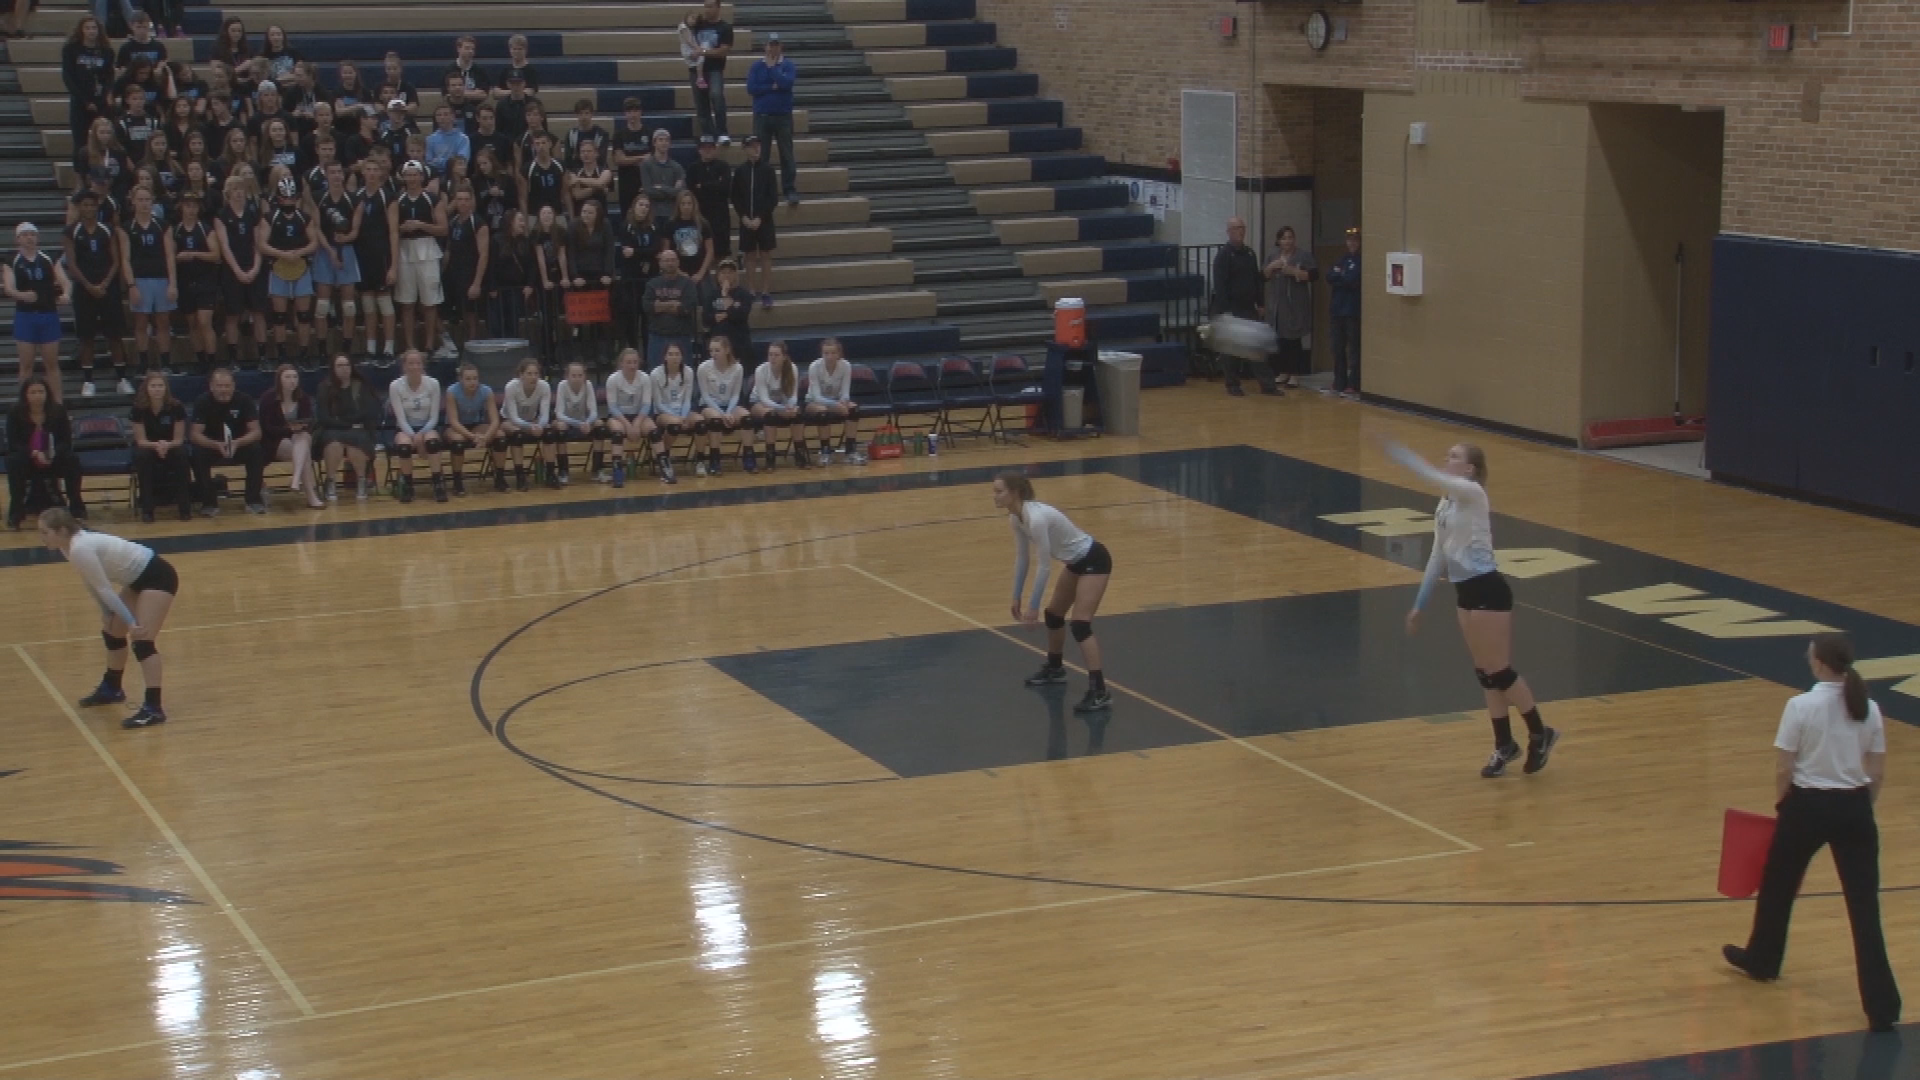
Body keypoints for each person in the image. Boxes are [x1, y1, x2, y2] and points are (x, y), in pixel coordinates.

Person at [1722, 633, 1901, 1032]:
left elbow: (1785, 767)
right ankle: (1883, 1006)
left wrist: (1785, 807)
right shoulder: (1868, 708)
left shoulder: (1799, 706)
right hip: (1855, 807)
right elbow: (1877, 772)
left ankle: (1764, 959)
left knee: (1778, 884)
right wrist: (1858, 808)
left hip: (1807, 806)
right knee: (1864, 907)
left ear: (1820, 664)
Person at [1382, 437, 1559, 776]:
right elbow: (1437, 555)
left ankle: (1541, 732)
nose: (1446, 459)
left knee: (1500, 670)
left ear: (1469, 469)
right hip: (1464, 592)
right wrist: (1420, 605)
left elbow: (1436, 477)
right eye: (1446, 454)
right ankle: (1504, 744)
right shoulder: (1445, 504)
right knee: (1486, 674)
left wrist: (1400, 453)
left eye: (1454, 456)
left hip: (1488, 589)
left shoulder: (1473, 493)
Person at [46, 509, 178, 729]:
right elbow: (92, 582)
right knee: (112, 632)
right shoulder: (67, 547)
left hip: (158, 577)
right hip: (138, 579)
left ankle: (154, 708)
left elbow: (105, 588)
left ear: (61, 530)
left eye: (45, 532)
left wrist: (131, 622)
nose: (42, 537)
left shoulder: (81, 547)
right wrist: (107, 613)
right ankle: (112, 688)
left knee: (143, 642)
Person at [997, 470, 1113, 713]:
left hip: (1094, 559)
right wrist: (1016, 595)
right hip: (1075, 563)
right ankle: (1055, 668)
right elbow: (1022, 558)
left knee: (1080, 625)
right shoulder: (1016, 518)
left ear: (1015, 492)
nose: (995, 496)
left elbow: (1045, 566)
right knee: (1054, 616)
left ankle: (1099, 691)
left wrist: (1033, 605)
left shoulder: (1036, 518)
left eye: (1000, 491)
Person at [65, 190, 132, 396]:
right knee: (87, 337)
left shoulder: (107, 229)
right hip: (84, 290)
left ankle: (121, 378)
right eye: (85, 205)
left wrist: (104, 284)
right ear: (79, 207)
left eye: (92, 205)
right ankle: (88, 381)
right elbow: (71, 264)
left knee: (114, 335)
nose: (89, 209)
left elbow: (116, 260)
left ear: (97, 207)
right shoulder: (71, 231)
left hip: (107, 289)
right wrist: (88, 285)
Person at [6, 377, 86, 527]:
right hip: (27, 458)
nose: (37, 395)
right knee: (13, 461)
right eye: (33, 392)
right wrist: (34, 453)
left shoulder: (58, 411)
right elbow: (13, 443)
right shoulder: (15, 412)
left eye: (41, 391)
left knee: (72, 459)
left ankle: (77, 508)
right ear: (25, 395)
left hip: (53, 457)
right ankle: (16, 512)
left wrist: (50, 453)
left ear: (47, 393)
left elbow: (65, 441)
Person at [6, 223, 71, 404]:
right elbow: (9, 288)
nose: (29, 238)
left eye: (32, 234)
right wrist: (22, 295)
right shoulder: (12, 260)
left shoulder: (48, 258)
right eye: (25, 235)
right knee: (26, 366)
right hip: (25, 316)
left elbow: (65, 280)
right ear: (18, 239)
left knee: (51, 364)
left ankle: (58, 404)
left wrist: (66, 293)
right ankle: (23, 405)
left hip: (48, 313)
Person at [389, 159, 448, 357]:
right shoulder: (398, 200)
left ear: (421, 176)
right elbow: (392, 228)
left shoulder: (432, 199)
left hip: (427, 249)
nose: (412, 178)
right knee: (407, 302)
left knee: (429, 301)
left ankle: (430, 345)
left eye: (415, 174)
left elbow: (443, 228)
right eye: (409, 175)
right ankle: (410, 346)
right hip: (405, 250)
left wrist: (420, 225)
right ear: (404, 177)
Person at [189, 367, 266, 514]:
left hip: (239, 445)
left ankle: (253, 500)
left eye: (227, 386)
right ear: (211, 386)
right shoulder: (203, 402)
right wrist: (215, 444)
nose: (224, 390)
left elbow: (256, 432)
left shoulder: (244, 400)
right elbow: (195, 434)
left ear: (233, 386)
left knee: (256, 450)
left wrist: (237, 442)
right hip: (213, 446)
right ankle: (209, 503)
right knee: (197, 454)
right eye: (219, 386)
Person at [260, 174, 319, 368]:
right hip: (278, 268)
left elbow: (314, 243)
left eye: (291, 197)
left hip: (301, 268)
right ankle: (281, 355)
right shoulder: (270, 218)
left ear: (297, 198)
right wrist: (282, 254)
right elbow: (261, 244)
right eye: (284, 198)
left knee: (303, 315)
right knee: (279, 316)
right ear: (278, 199)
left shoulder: (304, 218)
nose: (288, 201)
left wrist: (298, 253)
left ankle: (303, 353)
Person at [1208, 217, 1269, 397]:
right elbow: (1220, 285)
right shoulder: (1224, 255)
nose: (1240, 231)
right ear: (1229, 232)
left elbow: (1256, 280)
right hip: (1231, 308)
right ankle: (1232, 384)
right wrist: (1226, 311)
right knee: (1231, 351)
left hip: (1249, 307)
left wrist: (1261, 302)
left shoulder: (1250, 254)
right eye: (1236, 228)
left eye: (1242, 228)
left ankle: (1268, 385)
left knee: (1257, 347)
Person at [118, 185, 176, 375]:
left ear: (153, 202)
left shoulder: (162, 225)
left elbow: (169, 256)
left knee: (163, 322)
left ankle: (165, 362)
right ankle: (143, 363)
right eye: (140, 200)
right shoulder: (127, 227)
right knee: (141, 323)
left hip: (161, 278)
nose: (144, 204)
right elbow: (125, 259)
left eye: (147, 200)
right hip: (140, 279)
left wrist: (172, 283)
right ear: (133, 202)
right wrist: (131, 285)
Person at [216, 173, 269, 369]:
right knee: (233, 315)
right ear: (228, 193)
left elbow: (258, 243)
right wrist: (238, 271)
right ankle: (233, 359)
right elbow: (224, 246)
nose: (239, 193)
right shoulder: (222, 216)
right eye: (235, 190)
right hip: (232, 270)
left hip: (254, 268)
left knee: (259, 313)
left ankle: (263, 356)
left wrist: (255, 267)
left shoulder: (253, 214)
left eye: (241, 189)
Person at [312, 159, 362, 360]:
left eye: (339, 172)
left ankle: (347, 348)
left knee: (349, 305)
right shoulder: (318, 198)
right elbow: (316, 227)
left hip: (347, 249)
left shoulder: (353, 199)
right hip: (325, 251)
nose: (336, 176)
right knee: (322, 305)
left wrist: (346, 238)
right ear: (326, 174)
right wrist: (330, 251)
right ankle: (323, 348)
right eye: (332, 172)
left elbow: (356, 230)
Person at [128, 370, 192, 521]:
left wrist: (166, 445)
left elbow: (179, 439)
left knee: (182, 455)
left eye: (160, 385)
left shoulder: (176, 407)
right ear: (146, 388)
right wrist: (157, 445)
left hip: (171, 445)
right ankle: (147, 509)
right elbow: (141, 440)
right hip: (148, 446)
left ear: (166, 388)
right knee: (142, 457)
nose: (157, 389)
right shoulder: (138, 408)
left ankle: (184, 508)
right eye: (153, 386)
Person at [259, 362, 324, 509]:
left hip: (299, 439)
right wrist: (290, 430)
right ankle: (310, 495)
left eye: (295, 377)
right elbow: (267, 428)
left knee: (304, 439)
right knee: (304, 450)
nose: (292, 380)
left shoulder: (303, 398)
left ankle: (296, 479)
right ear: (279, 379)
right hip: (274, 442)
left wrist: (299, 429)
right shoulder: (268, 398)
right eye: (287, 377)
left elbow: (310, 424)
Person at [314, 353, 379, 500]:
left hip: (358, 430)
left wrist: (345, 421)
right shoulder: (324, 387)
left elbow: (368, 412)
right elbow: (323, 417)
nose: (344, 369)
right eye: (340, 365)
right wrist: (347, 423)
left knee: (356, 442)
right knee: (333, 443)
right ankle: (330, 481)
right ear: (333, 368)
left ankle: (362, 481)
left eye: (347, 365)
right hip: (333, 429)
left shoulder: (361, 386)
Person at [603, 347, 671, 486]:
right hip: (618, 416)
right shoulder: (613, 379)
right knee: (617, 433)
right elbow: (613, 406)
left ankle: (665, 468)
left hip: (639, 414)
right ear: (621, 363)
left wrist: (637, 424)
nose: (632, 365)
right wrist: (628, 426)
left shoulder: (644, 378)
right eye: (628, 362)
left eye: (635, 362)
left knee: (654, 431)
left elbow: (646, 404)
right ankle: (617, 472)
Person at [171, 192, 222, 374]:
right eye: (187, 206)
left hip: (204, 280)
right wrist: (178, 258)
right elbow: (171, 256)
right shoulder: (176, 230)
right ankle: (200, 359)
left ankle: (212, 360)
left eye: (194, 206)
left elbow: (216, 255)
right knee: (192, 323)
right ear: (181, 207)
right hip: (185, 280)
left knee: (204, 321)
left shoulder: (205, 229)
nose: (191, 210)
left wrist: (193, 254)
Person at [388, 349, 447, 502]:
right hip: (405, 427)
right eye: (411, 363)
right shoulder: (395, 386)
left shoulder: (433, 383)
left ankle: (437, 483)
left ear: (423, 365)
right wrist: (415, 437)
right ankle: (408, 485)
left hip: (428, 425)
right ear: (404, 366)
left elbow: (434, 417)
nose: (414, 367)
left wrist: (421, 434)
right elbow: (400, 418)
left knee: (433, 442)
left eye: (418, 363)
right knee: (404, 447)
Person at [746, 34, 797, 206]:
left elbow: (787, 84)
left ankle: (789, 188)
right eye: (770, 45)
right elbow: (752, 89)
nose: (773, 48)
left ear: (780, 46)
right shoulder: (756, 66)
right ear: (765, 46)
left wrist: (773, 70)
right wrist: (772, 86)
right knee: (762, 155)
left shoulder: (788, 65)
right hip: (762, 116)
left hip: (783, 116)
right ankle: (762, 190)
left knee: (787, 154)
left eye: (776, 45)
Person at [354, 154, 397, 362]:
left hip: (382, 255)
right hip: (363, 256)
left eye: (375, 170)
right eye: (368, 170)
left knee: (385, 305)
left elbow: (394, 232)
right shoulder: (357, 196)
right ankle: (370, 348)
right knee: (368, 305)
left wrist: (393, 266)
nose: (371, 174)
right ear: (363, 172)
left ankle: (389, 348)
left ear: (380, 173)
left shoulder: (387, 197)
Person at [61, 16, 117, 172]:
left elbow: (109, 76)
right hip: (80, 101)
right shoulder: (71, 49)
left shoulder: (106, 51)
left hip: (100, 101)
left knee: (103, 141)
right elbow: (68, 77)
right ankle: (80, 178)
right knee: (80, 142)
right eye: (88, 28)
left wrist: (106, 95)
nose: (91, 31)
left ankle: (102, 173)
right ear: (81, 30)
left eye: (94, 28)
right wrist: (85, 101)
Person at [1264, 225, 1315, 389]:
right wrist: (1272, 267)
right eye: (1284, 238)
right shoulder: (1273, 255)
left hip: (1295, 304)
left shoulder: (1303, 256)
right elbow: (1264, 275)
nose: (1287, 241)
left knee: (1293, 339)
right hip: (1277, 304)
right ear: (1279, 241)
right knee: (1280, 339)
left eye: (1290, 238)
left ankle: (1295, 373)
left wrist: (1294, 272)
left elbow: (1314, 275)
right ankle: (1283, 371)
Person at [443, 361, 507, 494]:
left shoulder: (486, 391)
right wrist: (472, 437)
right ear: (460, 380)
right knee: (458, 442)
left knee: (500, 436)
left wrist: (486, 437)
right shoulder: (452, 391)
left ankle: (500, 477)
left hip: (476, 424)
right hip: (455, 426)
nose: (472, 382)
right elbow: (454, 421)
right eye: (468, 379)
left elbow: (495, 420)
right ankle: (457, 481)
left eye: (475, 378)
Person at [441, 185, 491, 356]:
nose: (462, 203)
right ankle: (457, 347)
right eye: (459, 199)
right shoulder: (453, 222)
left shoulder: (478, 223)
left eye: (466, 200)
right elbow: (448, 249)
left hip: (470, 273)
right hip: (454, 273)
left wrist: (477, 283)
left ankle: (473, 347)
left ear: (471, 201)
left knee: (471, 314)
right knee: (457, 313)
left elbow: (483, 255)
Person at [731, 134, 779, 307]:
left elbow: (773, 198)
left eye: (758, 145)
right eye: (751, 146)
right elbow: (735, 197)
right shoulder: (740, 171)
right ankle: (751, 290)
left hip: (764, 221)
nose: (756, 148)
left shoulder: (768, 170)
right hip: (746, 221)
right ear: (745, 149)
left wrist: (760, 217)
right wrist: (743, 216)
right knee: (749, 255)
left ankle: (766, 292)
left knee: (766, 255)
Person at [804, 337, 866, 465]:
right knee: (822, 412)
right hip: (814, 402)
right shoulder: (814, 367)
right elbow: (816, 397)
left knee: (854, 409)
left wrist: (843, 401)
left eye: (832, 353)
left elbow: (845, 392)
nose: (829, 356)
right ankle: (825, 452)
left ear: (839, 354)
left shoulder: (846, 366)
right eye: (826, 353)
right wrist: (836, 405)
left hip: (836, 401)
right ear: (822, 354)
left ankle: (850, 451)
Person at [748, 340, 806, 469]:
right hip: (758, 402)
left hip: (782, 404)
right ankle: (770, 455)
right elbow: (763, 399)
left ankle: (799, 452)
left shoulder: (792, 369)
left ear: (784, 357)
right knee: (771, 416)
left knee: (797, 414)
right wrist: (781, 409)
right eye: (770, 355)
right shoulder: (761, 370)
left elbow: (793, 395)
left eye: (776, 355)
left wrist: (790, 407)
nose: (772, 358)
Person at [502, 356, 558, 490]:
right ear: (521, 375)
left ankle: (550, 474)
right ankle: (520, 476)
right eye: (529, 374)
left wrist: (540, 425)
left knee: (549, 434)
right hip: (509, 420)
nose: (533, 377)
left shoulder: (544, 386)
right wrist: (530, 427)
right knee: (517, 435)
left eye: (536, 374)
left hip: (532, 420)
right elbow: (514, 417)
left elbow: (544, 414)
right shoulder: (511, 387)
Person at [695, 335, 748, 476]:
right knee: (716, 420)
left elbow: (736, 395)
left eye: (717, 350)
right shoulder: (703, 368)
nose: (713, 354)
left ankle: (749, 457)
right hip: (709, 405)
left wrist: (729, 412)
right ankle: (714, 460)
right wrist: (722, 414)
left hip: (729, 405)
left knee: (747, 418)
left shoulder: (738, 368)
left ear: (727, 350)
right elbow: (705, 396)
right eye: (711, 350)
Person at [549, 359, 604, 485]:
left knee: (600, 425)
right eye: (573, 376)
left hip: (583, 422)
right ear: (567, 376)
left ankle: (597, 470)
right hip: (568, 422)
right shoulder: (562, 386)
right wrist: (578, 424)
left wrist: (588, 422)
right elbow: (559, 414)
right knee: (560, 427)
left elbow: (594, 411)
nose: (577, 378)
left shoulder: (588, 385)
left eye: (580, 375)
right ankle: (563, 471)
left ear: (584, 376)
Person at [649, 342, 696, 481]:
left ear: (682, 357)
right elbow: (658, 403)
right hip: (662, 412)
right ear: (665, 357)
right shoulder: (656, 374)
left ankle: (701, 459)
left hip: (683, 411)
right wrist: (676, 418)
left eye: (677, 354)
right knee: (675, 426)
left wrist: (683, 416)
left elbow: (687, 400)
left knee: (701, 423)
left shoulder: (688, 372)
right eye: (670, 354)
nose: (674, 357)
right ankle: (664, 456)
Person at [687, 0, 733, 142]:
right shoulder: (699, 24)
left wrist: (704, 52)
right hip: (696, 69)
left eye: (710, 6)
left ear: (718, 8)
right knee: (701, 102)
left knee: (716, 96)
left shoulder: (724, 27)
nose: (707, 10)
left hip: (715, 69)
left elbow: (723, 51)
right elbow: (686, 28)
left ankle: (722, 131)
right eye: (705, 6)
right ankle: (707, 132)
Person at [700, 257, 755, 375]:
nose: (726, 275)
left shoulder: (744, 294)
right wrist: (716, 317)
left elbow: (740, 316)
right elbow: (705, 318)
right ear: (718, 275)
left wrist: (725, 295)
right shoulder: (711, 295)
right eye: (723, 272)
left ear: (735, 274)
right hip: (717, 344)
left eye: (730, 272)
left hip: (739, 343)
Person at [643, 248, 696, 369]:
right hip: (657, 336)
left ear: (678, 262)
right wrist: (673, 304)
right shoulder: (652, 284)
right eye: (666, 260)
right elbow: (648, 307)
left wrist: (660, 305)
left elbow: (687, 307)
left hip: (681, 336)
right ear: (660, 263)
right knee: (656, 376)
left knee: (684, 374)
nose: (670, 263)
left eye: (673, 260)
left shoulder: (688, 283)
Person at [1326, 226, 1361, 399]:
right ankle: (1339, 380)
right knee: (1337, 347)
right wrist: (1341, 277)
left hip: (1352, 311)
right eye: (1349, 240)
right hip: (1337, 310)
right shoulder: (1342, 259)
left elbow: (1352, 280)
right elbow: (1329, 276)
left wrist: (1340, 277)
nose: (1352, 243)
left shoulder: (1361, 260)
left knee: (1353, 349)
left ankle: (1353, 382)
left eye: (1355, 240)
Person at [686, 135, 732, 261]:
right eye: (704, 148)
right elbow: (691, 191)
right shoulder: (692, 168)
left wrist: (703, 186)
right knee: (699, 254)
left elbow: (725, 189)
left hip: (720, 217)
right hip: (699, 216)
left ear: (715, 149)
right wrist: (715, 184)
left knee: (722, 254)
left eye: (710, 147)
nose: (707, 150)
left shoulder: (724, 166)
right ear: (699, 150)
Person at [639, 129, 685, 225]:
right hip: (652, 214)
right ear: (654, 143)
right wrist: (671, 190)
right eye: (660, 140)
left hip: (672, 214)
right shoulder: (646, 165)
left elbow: (681, 192)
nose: (664, 143)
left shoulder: (677, 167)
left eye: (666, 140)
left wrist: (661, 188)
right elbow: (648, 191)